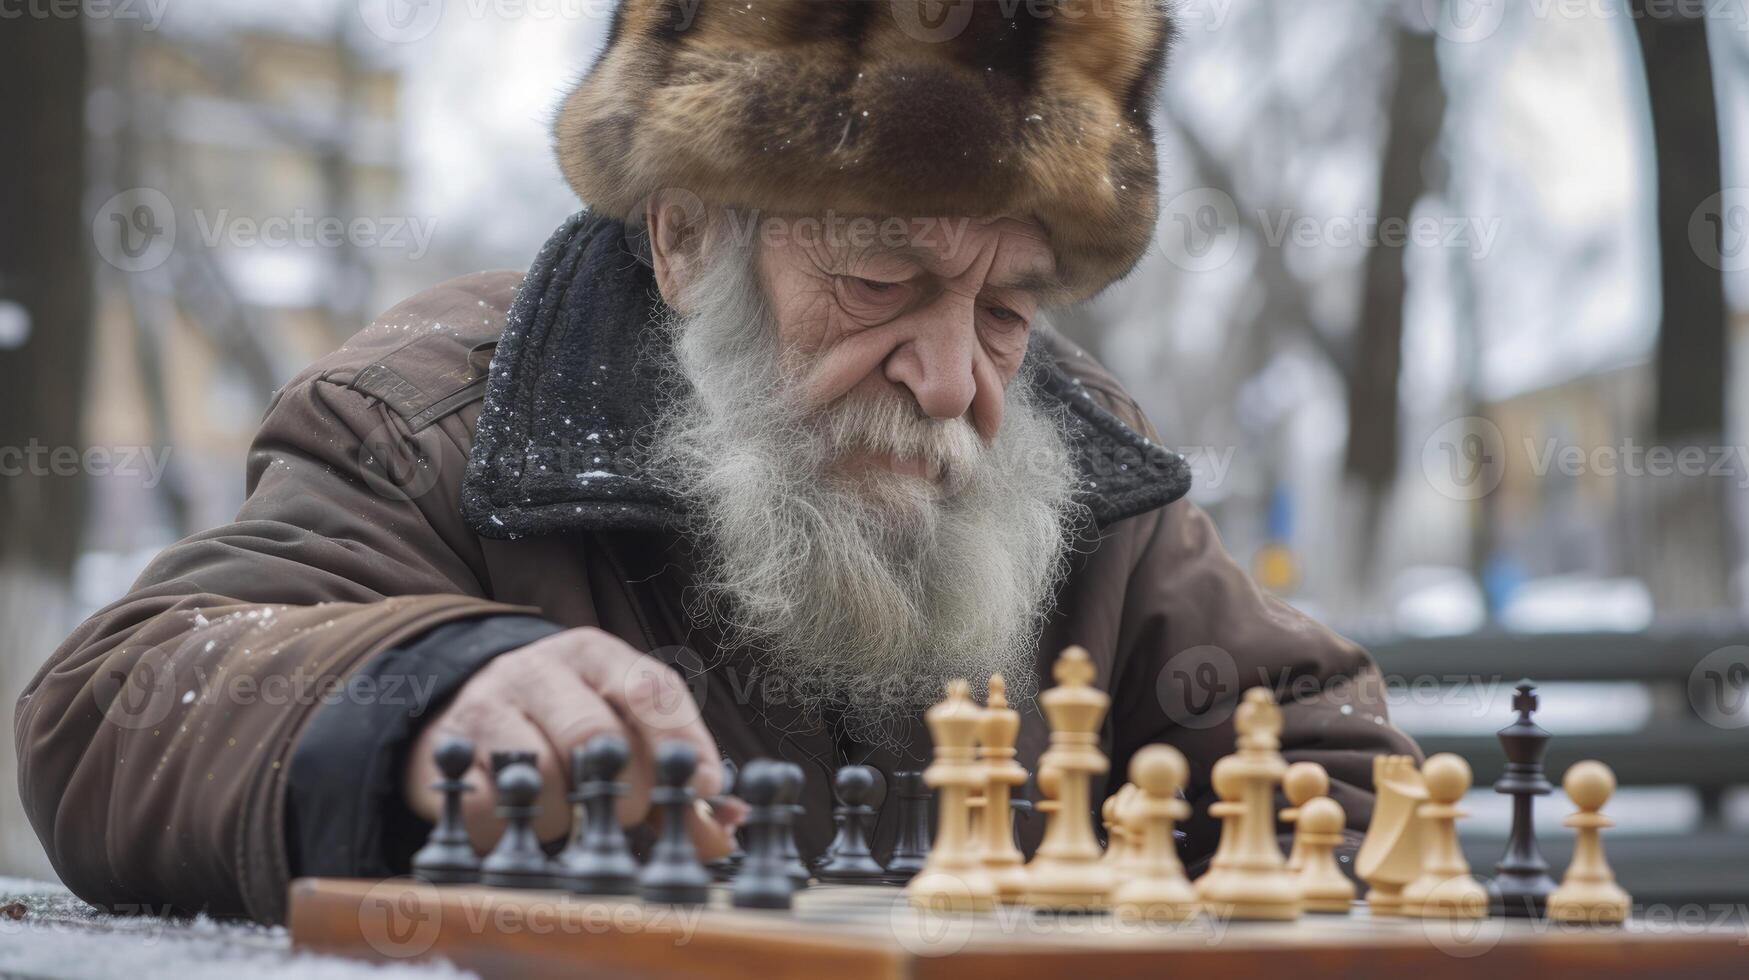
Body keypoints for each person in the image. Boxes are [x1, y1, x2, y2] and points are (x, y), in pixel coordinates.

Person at [15, 0, 1417, 924]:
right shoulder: (441, 413)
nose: (953, 383)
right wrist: (424, 689)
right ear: (686, 236)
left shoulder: (1072, 461)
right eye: (880, 273)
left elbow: (1336, 777)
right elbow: (112, 704)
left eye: (1006, 310)